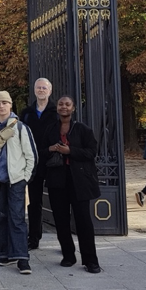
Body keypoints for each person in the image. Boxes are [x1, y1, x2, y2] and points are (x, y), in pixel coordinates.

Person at [38, 96, 101, 274]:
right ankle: (68, 255)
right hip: (57, 181)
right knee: (61, 220)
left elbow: (91, 152)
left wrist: (70, 151)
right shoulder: (50, 129)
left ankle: (90, 260)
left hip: (79, 181)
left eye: (67, 104)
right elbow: (41, 151)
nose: (63, 107)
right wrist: (51, 149)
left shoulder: (82, 129)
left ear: (73, 108)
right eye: (60, 104)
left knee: (83, 221)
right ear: (57, 108)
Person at [0, 91, 36, 275]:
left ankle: (22, 257)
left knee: (17, 218)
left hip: (16, 180)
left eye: (5, 102)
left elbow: (31, 155)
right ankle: (3, 253)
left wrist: (25, 177)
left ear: (10, 105)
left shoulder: (20, 128)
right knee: (0, 218)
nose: (1, 106)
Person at [19, 78, 55, 250]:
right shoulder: (26, 113)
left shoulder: (56, 111)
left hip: (53, 162)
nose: (41, 90)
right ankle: (34, 237)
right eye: (38, 87)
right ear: (34, 90)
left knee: (58, 201)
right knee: (34, 202)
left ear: (50, 91)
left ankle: (64, 238)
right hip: (33, 162)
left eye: (44, 88)